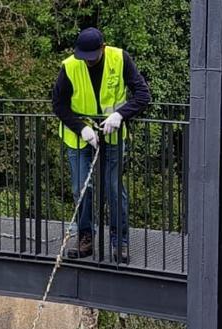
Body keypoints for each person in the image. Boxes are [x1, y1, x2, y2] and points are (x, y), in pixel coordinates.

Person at [52, 27, 150, 263]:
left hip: (112, 136)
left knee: (113, 189)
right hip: (78, 138)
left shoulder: (120, 58)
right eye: (83, 57)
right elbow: (59, 105)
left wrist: (120, 115)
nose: (87, 62)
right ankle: (85, 237)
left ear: (102, 48)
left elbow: (143, 95)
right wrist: (82, 128)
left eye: (91, 57)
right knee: (80, 188)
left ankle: (120, 241)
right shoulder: (70, 66)